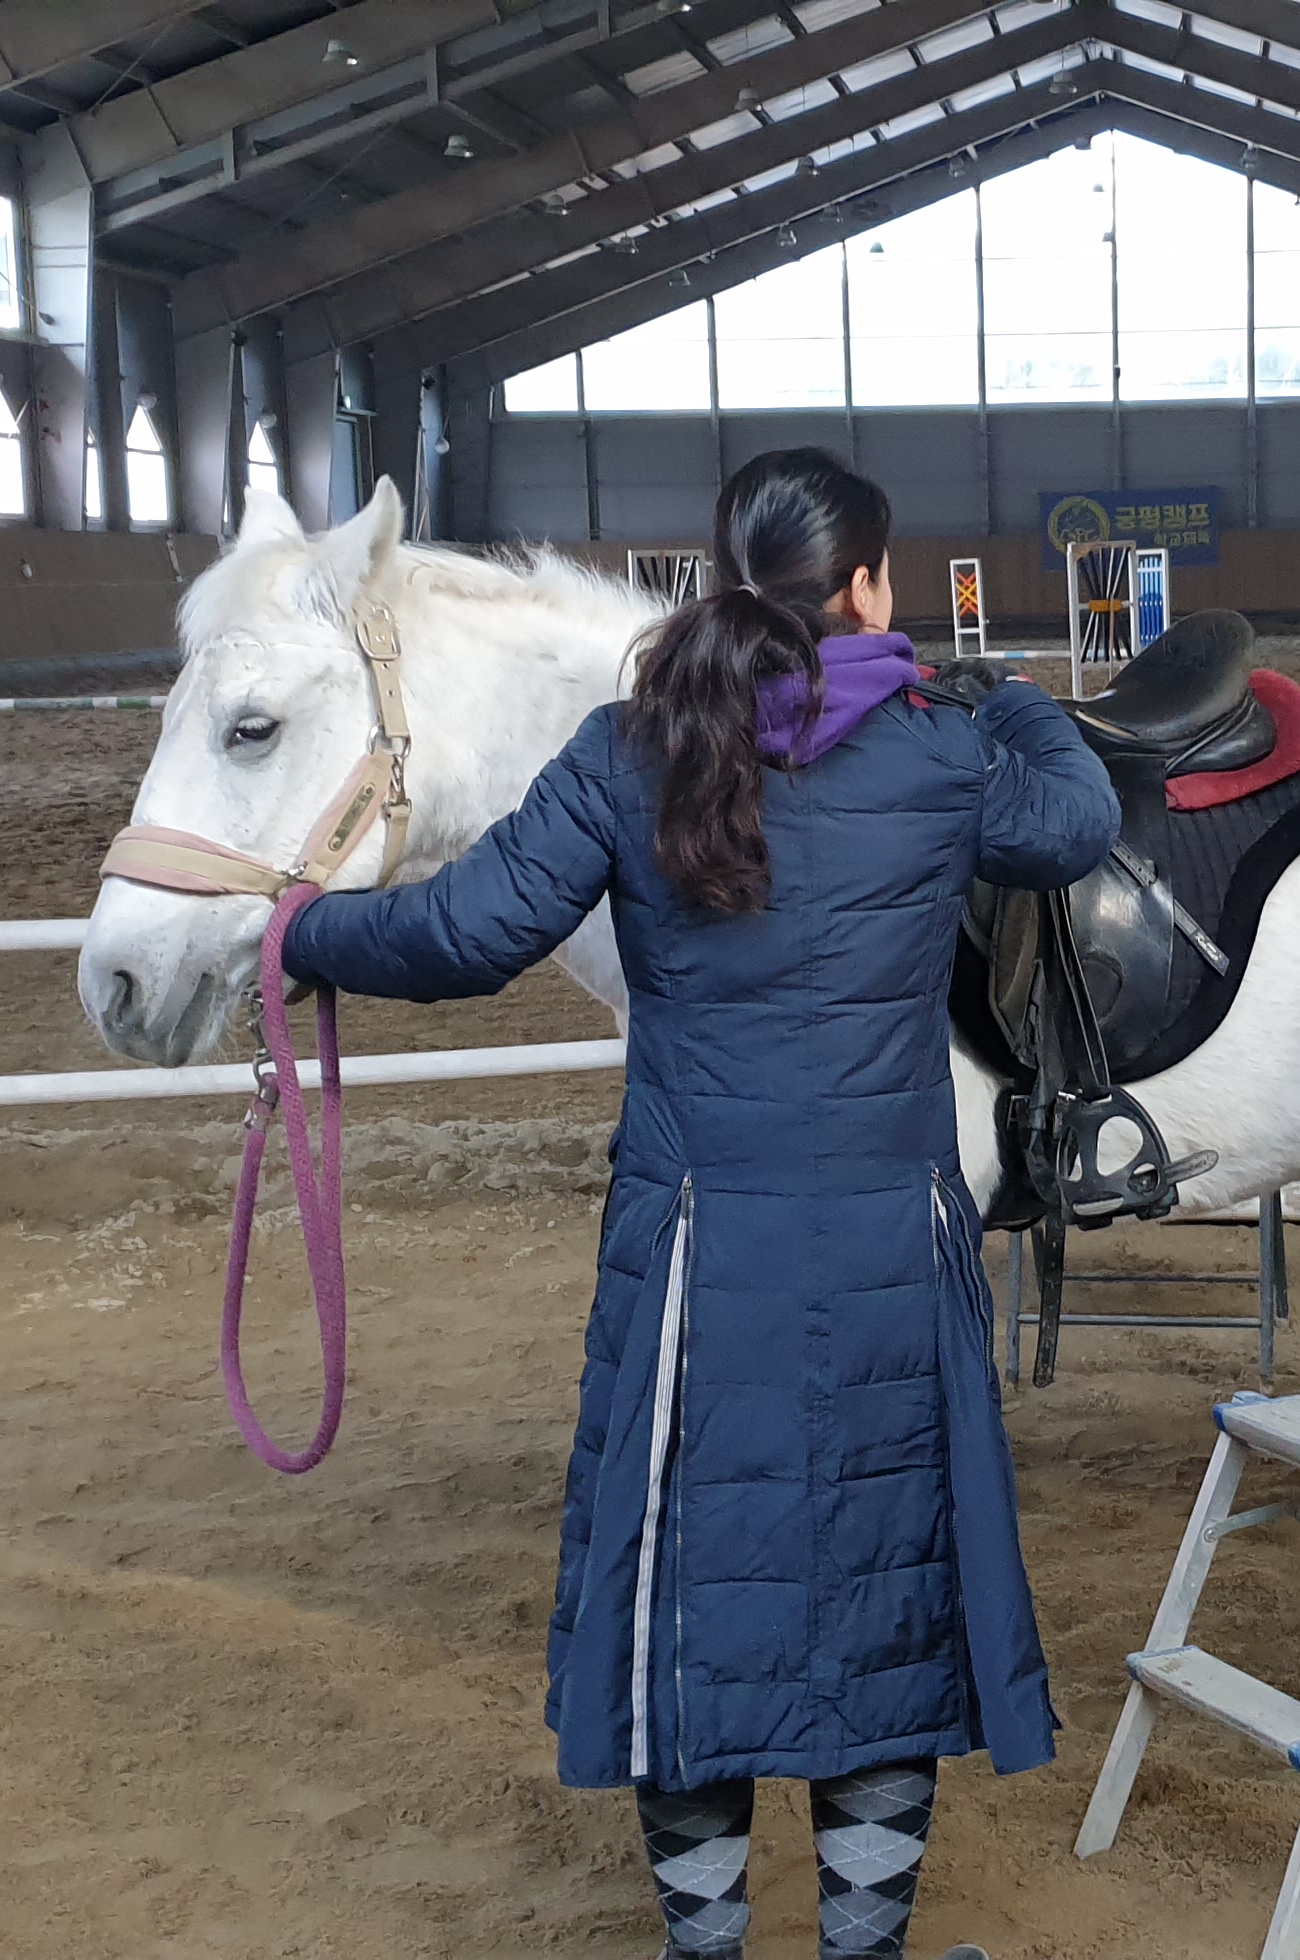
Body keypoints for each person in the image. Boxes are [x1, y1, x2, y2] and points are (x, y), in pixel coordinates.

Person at [275, 448, 1117, 1960]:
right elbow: (1073, 822)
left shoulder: (628, 749)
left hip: (690, 1261)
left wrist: (305, 932)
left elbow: (465, 933)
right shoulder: (941, 753)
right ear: (870, 587)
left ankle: (706, 1943)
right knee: (883, 1602)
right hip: (891, 1252)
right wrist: (1016, 703)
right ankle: (864, 1946)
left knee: (686, 1608)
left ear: (727, 580)